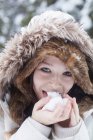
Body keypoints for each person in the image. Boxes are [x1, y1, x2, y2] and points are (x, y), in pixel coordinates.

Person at [0, 10, 93, 140]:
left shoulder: (89, 117)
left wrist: (70, 132)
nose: (55, 84)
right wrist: (36, 126)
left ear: (79, 80)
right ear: (28, 72)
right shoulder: (4, 110)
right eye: (46, 69)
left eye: (67, 73)